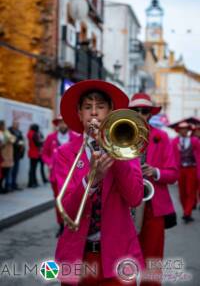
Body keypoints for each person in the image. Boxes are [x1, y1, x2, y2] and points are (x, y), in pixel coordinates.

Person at [54, 80, 145, 285]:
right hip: (78, 255)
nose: (94, 113)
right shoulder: (64, 153)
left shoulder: (127, 146)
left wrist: (114, 150)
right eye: (87, 107)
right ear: (79, 114)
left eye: (100, 106)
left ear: (111, 112)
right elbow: (66, 210)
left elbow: (135, 197)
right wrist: (90, 181)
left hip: (118, 256)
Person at [129, 93, 178, 286]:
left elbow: (173, 174)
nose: (140, 114)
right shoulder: (120, 133)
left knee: (153, 261)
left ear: (150, 114)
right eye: (136, 111)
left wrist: (154, 171)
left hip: (154, 206)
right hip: (126, 206)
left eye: (145, 111)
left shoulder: (162, 137)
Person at [42, 115, 78, 237]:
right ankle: (61, 225)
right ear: (57, 124)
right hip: (55, 176)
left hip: (71, 175)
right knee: (59, 201)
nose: (62, 125)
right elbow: (44, 153)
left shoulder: (75, 137)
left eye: (64, 122)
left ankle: (71, 222)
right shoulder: (50, 138)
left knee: (71, 199)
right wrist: (50, 163)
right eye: (60, 123)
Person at [171, 121, 200, 223]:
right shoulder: (174, 142)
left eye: (186, 129)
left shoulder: (195, 141)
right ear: (178, 130)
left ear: (188, 130)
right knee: (182, 193)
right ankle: (185, 211)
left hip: (192, 169)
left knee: (190, 192)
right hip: (180, 170)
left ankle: (187, 213)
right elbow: (171, 157)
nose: (184, 130)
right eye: (182, 129)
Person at [8, 120, 25, 190]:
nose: (17, 125)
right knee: (10, 170)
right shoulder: (9, 131)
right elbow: (12, 141)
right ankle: (9, 185)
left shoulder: (19, 132)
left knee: (16, 170)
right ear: (13, 124)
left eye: (18, 124)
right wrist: (18, 143)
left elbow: (22, 140)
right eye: (16, 124)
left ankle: (14, 184)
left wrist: (21, 144)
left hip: (18, 154)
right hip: (11, 153)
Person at [0, 120, 16, 193]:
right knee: (2, 173)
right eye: (3, 125)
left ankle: (6, 186)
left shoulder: (6, 132)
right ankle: (2, 187)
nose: (4, 126)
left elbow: (13, 139)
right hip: (3, 155)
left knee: (6, 172)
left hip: (8, 155)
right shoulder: (2, 133)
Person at [27, 124, 43, 188]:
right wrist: (42, 142)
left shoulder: (30, 133)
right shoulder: (34, 134)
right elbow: (37, 143)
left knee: (32, 169)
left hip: (31, 152)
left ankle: (31, 182)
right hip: (35, 153)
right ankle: (32, 183)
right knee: (33, 169)